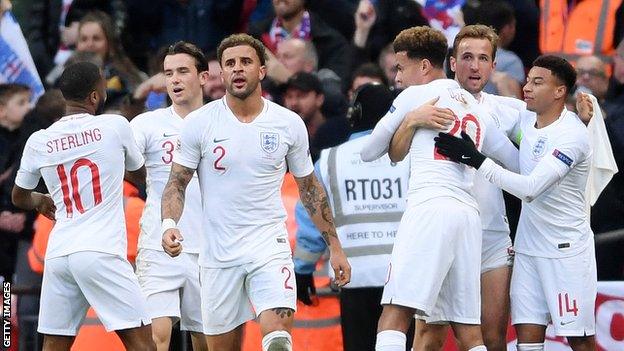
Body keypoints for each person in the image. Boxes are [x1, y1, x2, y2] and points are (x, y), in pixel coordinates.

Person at [159, 33, 351, 351]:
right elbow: (177, 183)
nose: (238, 69)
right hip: (218, 255)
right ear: (221, 72)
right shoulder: (199, 124)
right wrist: (169, 225)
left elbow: (310, 188)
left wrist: (335, 247)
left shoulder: (287, 124)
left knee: (277, 339)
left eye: (246, 62)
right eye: (230, 63)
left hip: (269, 248)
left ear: (262, 70)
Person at [359, 26, 519, 351]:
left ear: (423, 66)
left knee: (393, 314)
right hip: (468, 220)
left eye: (400, 68)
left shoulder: (416, 97)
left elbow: (368, 151)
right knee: (470, 334)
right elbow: (516, 163)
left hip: (430, 209)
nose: (397, 78)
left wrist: (411, 118)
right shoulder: (477, 110)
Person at [434, 55, 597, 351]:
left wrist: (477, 159)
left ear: (560, 91)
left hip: (566, 253)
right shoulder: (525, 119)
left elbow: (531, 188)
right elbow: (485, 113)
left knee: (580, 340)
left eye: (538, 82)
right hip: (527, 250)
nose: (527, 87)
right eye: (528, 80)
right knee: (527, 342)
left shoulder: (572, 136)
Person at [11, 61, 155, 351]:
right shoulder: (114, 125)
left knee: (54, 343)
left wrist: (39, 199)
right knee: (143, 345)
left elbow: (19, 197)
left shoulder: (39, 140)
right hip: (100, 250)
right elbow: (142, 177)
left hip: (60, 253)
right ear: (94, 96)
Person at [294, 83, 413, 350]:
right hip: (405, 279)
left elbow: (311, 216)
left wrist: (302, 270)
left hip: (353, 276)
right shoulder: (412, 157)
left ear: (353, 114)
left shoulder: (329, 160)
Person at [129, 41, 208, 351]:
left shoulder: (222, 121)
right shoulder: (147, 124)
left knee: (206, 341)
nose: (174, 79)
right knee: (156, 336)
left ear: (203, 77)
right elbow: (122, 162)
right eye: (168, 73)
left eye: (183, 71)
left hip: (209, 248)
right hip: (157, 245)